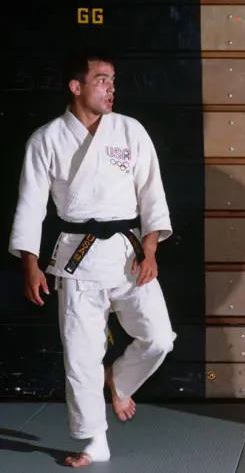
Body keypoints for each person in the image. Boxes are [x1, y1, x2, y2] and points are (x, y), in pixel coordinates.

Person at [8, 50, 176, 468]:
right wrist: (30, 263)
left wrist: (151, 249)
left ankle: (119, 380)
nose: (111, 88)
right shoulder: (46, 139)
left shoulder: (130, 131)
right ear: (76, 86)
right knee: (81, 356)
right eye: (102, 80)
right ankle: (94, 441)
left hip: (128, 253)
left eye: (113, 80)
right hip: (76, 260)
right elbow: (30, 207)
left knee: (159, 338)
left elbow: (152, 194)